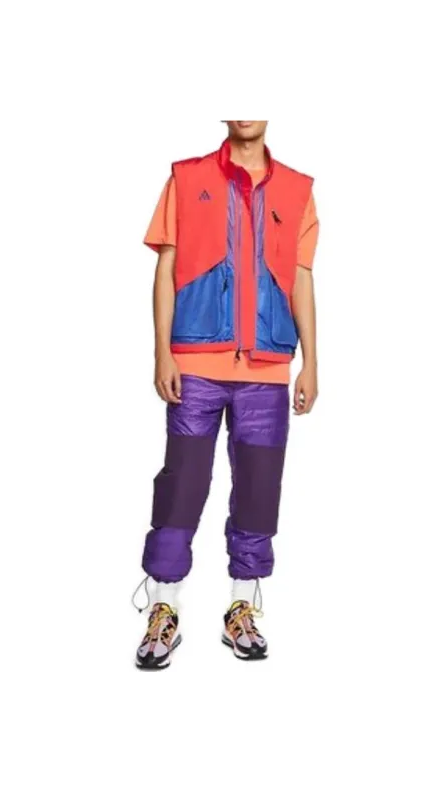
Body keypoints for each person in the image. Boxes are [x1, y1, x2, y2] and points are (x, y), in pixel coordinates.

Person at [134, 121, 319, 669]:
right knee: (183, 484)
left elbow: (301, 278)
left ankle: (243, 607)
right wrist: (162, 352)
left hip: (268, 368)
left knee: (259, 490)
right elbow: (166, 267)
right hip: (195, 362)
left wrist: (311, 362)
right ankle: (163, 606)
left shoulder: (297, 189)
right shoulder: (187, 179)